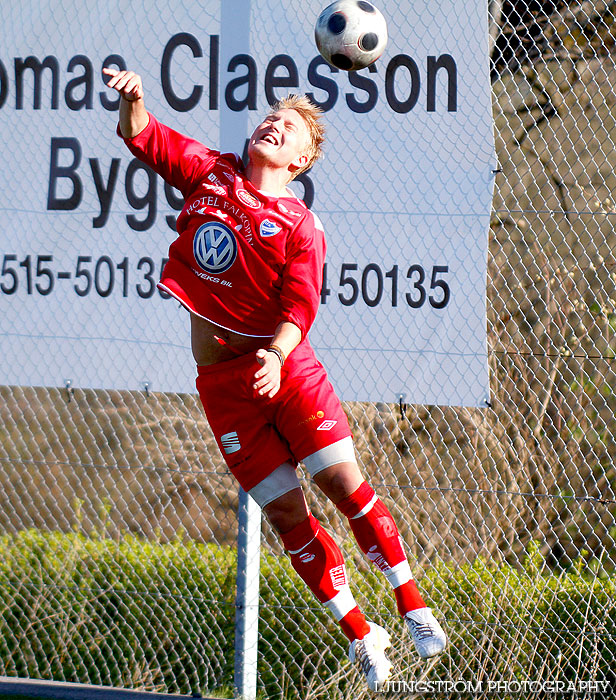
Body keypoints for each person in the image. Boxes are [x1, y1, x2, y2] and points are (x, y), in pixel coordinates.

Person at [104, 67, 447, 691]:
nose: (272, 125)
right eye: (270, 117)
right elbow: (144, 136)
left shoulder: (299, 226)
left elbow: (301, 304)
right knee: (288, 515)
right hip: (224, 389)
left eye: (286, 127)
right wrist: (134, 102)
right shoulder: (213, 175)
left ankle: (411, 604)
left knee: (344, 485)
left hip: (287, 373)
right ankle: (362, 635)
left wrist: (277, 353)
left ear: (302, 159)